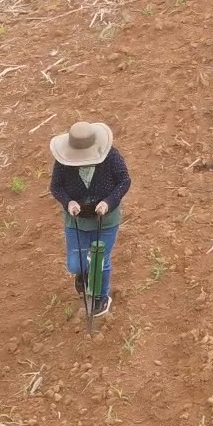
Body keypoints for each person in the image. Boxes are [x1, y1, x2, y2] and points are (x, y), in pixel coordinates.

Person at [48, 120, 131, 318]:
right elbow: (56, 186)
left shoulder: (111, 156)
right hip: (77, 221)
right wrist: (68, 202)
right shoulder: (63, 161)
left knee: (100, 260)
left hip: (106, 220)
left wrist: (108, 202)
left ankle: (101, 297)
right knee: (76, 265)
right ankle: (83, 274)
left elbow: (124, 180)